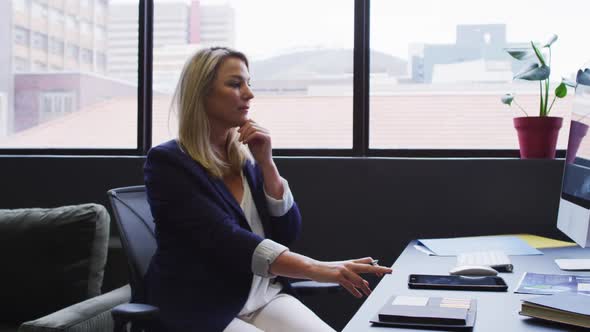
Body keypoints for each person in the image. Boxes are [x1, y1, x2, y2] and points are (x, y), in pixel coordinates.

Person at [143, 46, 392, 332]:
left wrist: (267, 164)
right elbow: (225, 240)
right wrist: (317, 268)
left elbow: (286, 233)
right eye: (236, 84)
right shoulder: (168, 163)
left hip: (263, 295)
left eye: (249, 84)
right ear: (201, 93)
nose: (249, 94)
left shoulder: (245, 159)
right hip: (201, 304)